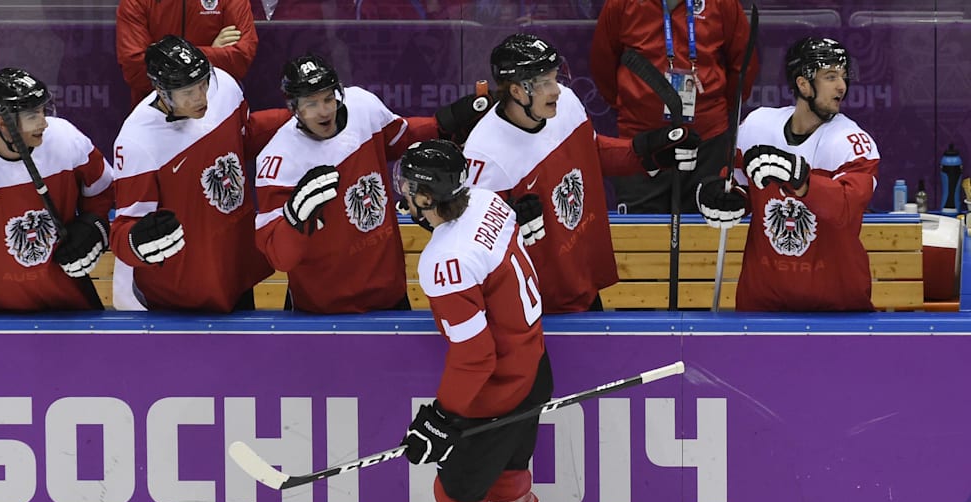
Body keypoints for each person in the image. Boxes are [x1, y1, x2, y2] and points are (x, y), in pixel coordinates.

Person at [396, 139, 553, 502]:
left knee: (458, 497)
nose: (403, 196)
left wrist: (444, 415)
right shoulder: (486, 201)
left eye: (409, 189)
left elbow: (475, 356)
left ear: (427, 198)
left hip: (497, 393)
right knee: (510, 483)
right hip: (534, 370)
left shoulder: (446, 259)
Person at [463, 33, 700, 313]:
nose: (557, 90)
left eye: (555, 77)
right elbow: (474, 238)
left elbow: (593, 153)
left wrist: (646, 153)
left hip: (581, 283)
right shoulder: (484, 152)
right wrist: (510, 222)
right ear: (517, 91)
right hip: (531, 306)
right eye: (545, 83)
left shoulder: (567, 105)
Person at [253, 52, 490, 313]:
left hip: (389, 293)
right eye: (311, 103)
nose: (324, 111)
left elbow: (401, 139)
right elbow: (279, 257)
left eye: (329, 99)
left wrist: (444, 125)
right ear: (294, 107)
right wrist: (293, 220)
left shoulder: (363, 107)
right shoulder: (278, 161)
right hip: (323, 309)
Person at [696, 36, 880, 312]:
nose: (842, 86)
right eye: (830, 76)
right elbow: (738, 185)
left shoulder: (851, 141)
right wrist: (724, 199)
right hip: (761, 304)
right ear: (803, 84)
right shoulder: (757, 126)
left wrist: (802, 180)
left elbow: (848, 206)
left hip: (837, 309)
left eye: (843, 76)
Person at [110, 35, 286, 312]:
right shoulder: (136, 141)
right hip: (178, 290)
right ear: (160, 89)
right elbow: (125, 230)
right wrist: (137, 241)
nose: (201, 97)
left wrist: (295, 118)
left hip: (233, 266)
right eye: (188, 92)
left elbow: (243, 138)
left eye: (203, 84)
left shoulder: (224, 86)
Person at [0, 67, 113, 311]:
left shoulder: (66, 138)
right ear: (3, 123)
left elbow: (103, 190)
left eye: (43, 111)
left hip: (67, 303)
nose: (44, 123)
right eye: (32, 115)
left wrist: (94, 225)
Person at [590, 0, 759, 214]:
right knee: (640, 236)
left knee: (707, 233)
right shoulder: (620, 4)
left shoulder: (722, 3)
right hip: (641, 141)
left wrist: (712, 109)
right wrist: (635, 105)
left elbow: (743, 63)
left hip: (708, 141)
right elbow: (603, 62)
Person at [116, 0, 258, 105]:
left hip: (217, 110)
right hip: (157, 112)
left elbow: (240, 57)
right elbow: (135, 68)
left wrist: (164, 58)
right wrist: (211, 53)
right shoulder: (136, 2)